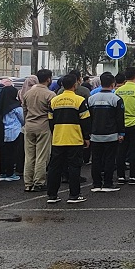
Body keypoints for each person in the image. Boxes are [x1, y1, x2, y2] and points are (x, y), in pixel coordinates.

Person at [45, 73, 91, 204]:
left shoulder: (54, 100)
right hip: (74, 138)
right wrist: (86, 137)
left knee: (55, 167)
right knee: (74, 167)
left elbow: (50, 120)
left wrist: (56, 132)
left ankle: (52, 195)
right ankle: (74, 195)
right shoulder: (79, 100)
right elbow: (85, 120)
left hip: (58, 138)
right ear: (75, 84)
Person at [87, 72, 125, 192]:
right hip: (111, 135)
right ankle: (108, 183)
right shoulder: (116, 99)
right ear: (113, 84)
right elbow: (120, 118)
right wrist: (121, 133)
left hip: (95, 134)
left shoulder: (91, 99)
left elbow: (89, 118)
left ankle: (96, 184)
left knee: (96, 159)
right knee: (109, 159)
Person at [114, 67, 135, 184]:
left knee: (121, 151)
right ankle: (133, 176)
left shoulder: (118, 91)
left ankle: (121, 176)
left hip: (121, 125)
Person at [0, 81, 25, 183]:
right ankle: (10, 173)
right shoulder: (16, 106)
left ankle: (2, 172)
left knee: (3, 153)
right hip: (14, 132)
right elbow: (23, 119)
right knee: (12, 154)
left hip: (2, 132)